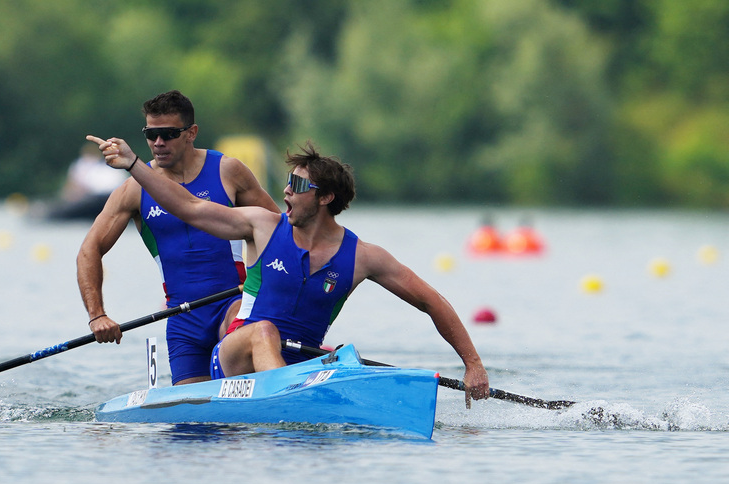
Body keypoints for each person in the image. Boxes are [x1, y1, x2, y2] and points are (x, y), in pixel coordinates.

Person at [87, 135, 491, 403]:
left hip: (302, 366)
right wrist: (135, 165)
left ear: (326, 198)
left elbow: (431, 301)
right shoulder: (262, 227)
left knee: (346, 356)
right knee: (264, 331)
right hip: (234, 357)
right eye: (287, 182)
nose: (284, 192)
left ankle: (294, 395)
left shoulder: (365, 257)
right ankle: (288, 401)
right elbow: (188, 207)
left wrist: (473, 363)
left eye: (297, 187)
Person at [77, 90, 280, 385]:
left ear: (191, 133)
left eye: (169, 134)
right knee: (192, 427)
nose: (158, 143)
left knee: (241, 350)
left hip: (234, 304)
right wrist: (97, 315)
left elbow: (280, 234)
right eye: (151, 134)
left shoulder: (228, 171)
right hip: (184, 321)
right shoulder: (133, 190)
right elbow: (88, 250)